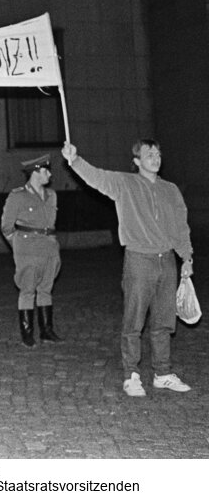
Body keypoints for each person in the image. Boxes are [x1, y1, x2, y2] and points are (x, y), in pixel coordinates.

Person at [61, 139, 193, 397]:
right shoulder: (124, 183)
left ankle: (163, 373)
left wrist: (186, 258)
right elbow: (96, 177)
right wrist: (74, 160)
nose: (155, 158)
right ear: (136, 161)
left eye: (158, 153)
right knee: (134, 320)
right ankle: (131, 374)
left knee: (164, 321)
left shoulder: (171, 189)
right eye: (149, 154)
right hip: (139, 260)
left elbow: (180, 226)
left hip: (167, 260)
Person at [0, 154, 63, 348]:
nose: (50, 174)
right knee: (27, 290)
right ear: (35, 172)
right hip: (28, 249)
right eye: (46, 171)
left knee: (46, 289)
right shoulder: (18, 196)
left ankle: (46, 331)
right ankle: (27, 333)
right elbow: (6, 227)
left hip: (49, 247)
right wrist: (19, 245)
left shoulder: (52, 195)